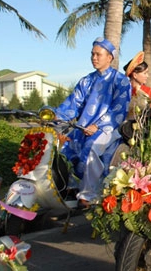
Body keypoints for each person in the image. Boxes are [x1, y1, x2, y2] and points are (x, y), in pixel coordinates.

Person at [55, 37, 131, 208]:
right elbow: (73, 103)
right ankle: (70, 186)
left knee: (92, 148)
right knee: (62, 146)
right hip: (82, 127)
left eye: (98, 54)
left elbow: (118, 110)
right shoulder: (86, 81)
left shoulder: (121, 81)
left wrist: (97, 126)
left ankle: (88, 195)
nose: (94, 58)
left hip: (109, 128)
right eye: (92, 54)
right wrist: (56, 117)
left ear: (109, 57)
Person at [123, 51, 151, 119]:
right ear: (135, 75)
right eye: (145, 73)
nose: (147, 76)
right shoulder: (123, 91)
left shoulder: (149, 92)